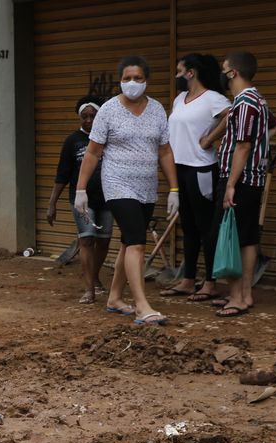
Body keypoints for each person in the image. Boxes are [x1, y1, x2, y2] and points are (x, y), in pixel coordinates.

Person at [75, 56, 180, 325]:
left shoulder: (156, 110)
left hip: (146, 186)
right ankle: (142, 306)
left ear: (147, 80)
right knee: (136, 242)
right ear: (120, 80)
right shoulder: (108, 110)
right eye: (127, 78)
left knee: (127, 242)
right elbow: (93, 152)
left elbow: (165, 151)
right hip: (117, 183)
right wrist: (81, 189)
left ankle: (114, 298)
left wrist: (174, 188)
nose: (132, 83)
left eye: (138, 78)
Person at [206, 51, 276, 318]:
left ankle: (236, 296)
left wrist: (231, 184)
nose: (223, 74)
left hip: (240, 179)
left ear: (233, 72)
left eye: (225, 69)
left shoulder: (245, 102)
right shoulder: (258, 99)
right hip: (252, 179)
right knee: (246, 238)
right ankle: (245, 294)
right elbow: (272, 125)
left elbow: (243, 146)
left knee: (229, 235)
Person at [161, 54, 232, 302]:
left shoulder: (213, 98)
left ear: (191, 72)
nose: (177, 76)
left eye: (179, 71)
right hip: (179, 168)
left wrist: (210, 138)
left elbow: (231, 115)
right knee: (188, 226)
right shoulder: (180, 99)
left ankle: (211, 282)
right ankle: (188, 279)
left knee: (206, 227)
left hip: (201, 168)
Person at [48, 97, 112, 304]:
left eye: (93, 116)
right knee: (86, 239)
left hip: (107, 198)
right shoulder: (72, 141)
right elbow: (62, 175)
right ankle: (89, 289)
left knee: (104, 241)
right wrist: (52, 203)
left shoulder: (109, 139)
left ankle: (94, 275)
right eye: (85, 117)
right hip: (82, 199)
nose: (89, 120)